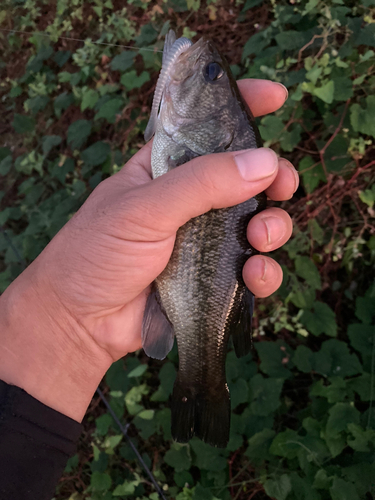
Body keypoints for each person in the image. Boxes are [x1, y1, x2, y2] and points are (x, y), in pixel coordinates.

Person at [0, 79, 297, 499]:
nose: (200, 70)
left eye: (210, 73)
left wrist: (69, 324)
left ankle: (204, 379)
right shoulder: (197, 144)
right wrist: (68, 322)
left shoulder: (194, 143)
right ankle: (204, 380)